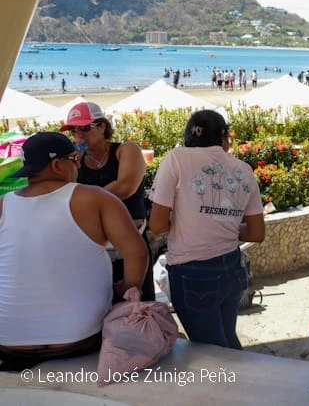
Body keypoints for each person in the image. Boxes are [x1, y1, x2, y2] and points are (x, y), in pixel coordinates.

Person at [0, 132, 147, 371]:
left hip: (8, 342)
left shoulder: (3, 204)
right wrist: (128, 290)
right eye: (74, 159)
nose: (78, 166)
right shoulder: (95, 198)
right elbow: (137, 253)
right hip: (80, 339)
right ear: (57, 165)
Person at [148, 110, 265, 349]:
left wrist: (196, 223)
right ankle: (243, 374)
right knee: (227, 341)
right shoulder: (243, 169)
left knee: (212, 352)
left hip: (192, 272)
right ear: (224, 137)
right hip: (232, 267)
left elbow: (157, 225)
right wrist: (220, 226)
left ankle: (236, 375)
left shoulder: (177, 158)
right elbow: (256, 233)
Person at [61, 101, 154, 301]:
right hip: (93, 253)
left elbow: (125, 187)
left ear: (102, 126)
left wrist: (86, 201)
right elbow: (65, 199)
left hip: (129, 252)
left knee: (135, 312)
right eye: (74, 130)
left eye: (84, 128)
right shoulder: (76, 162)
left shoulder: (125, 150)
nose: (79, 135)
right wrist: (72, 166)